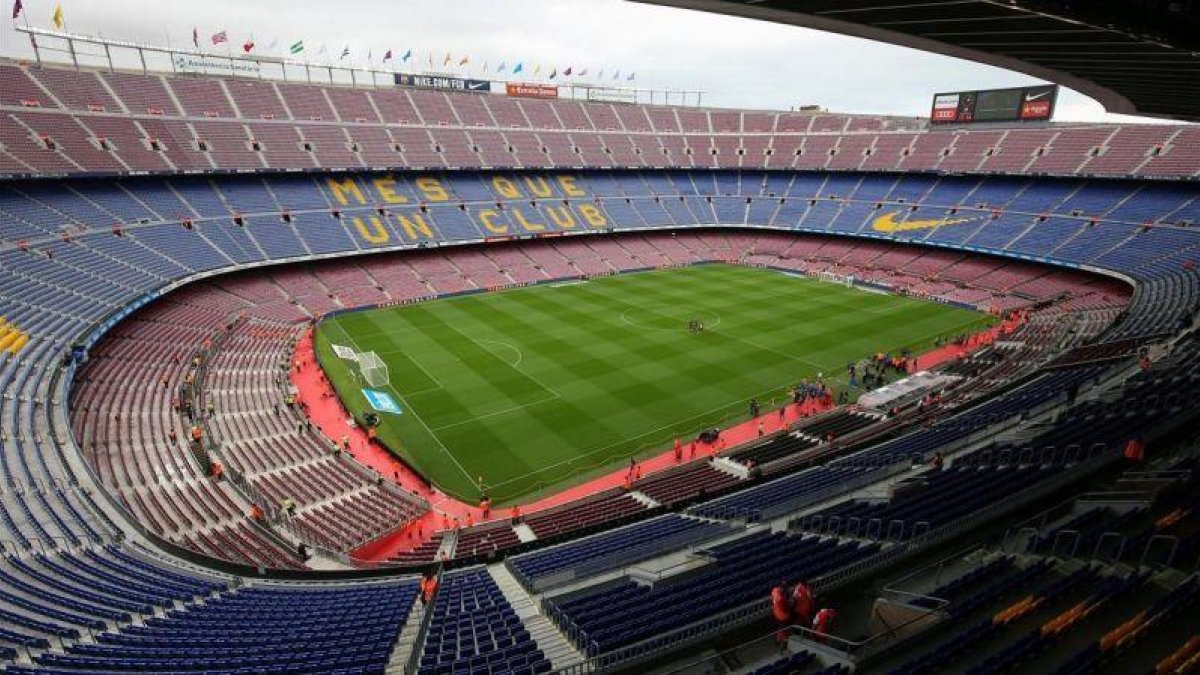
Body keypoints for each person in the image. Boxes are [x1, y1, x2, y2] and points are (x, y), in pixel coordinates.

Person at [771, 581, 792, 648]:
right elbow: (786, 606)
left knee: (780, 627)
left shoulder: (774, 590)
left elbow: (772, 598)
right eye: (785, 588)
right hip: (782, 616)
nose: (786, 589)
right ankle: (784, 643)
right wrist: (790, 602)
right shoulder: (781, 598)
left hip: (776, 612)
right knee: (784, 629)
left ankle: (778, 640)